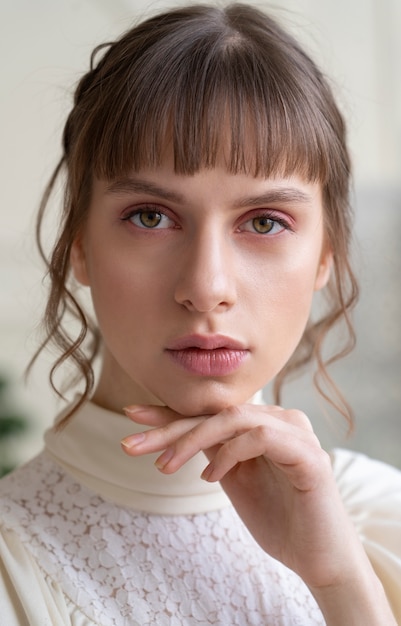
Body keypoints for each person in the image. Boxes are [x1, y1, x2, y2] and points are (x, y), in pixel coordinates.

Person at [0, 3, 400, 624]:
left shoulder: (382, 517)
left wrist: (342, 583)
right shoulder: (12, 564)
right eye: (151, 216)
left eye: (264, 221)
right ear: (80, 244)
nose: (206, 287)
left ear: (326, 254)